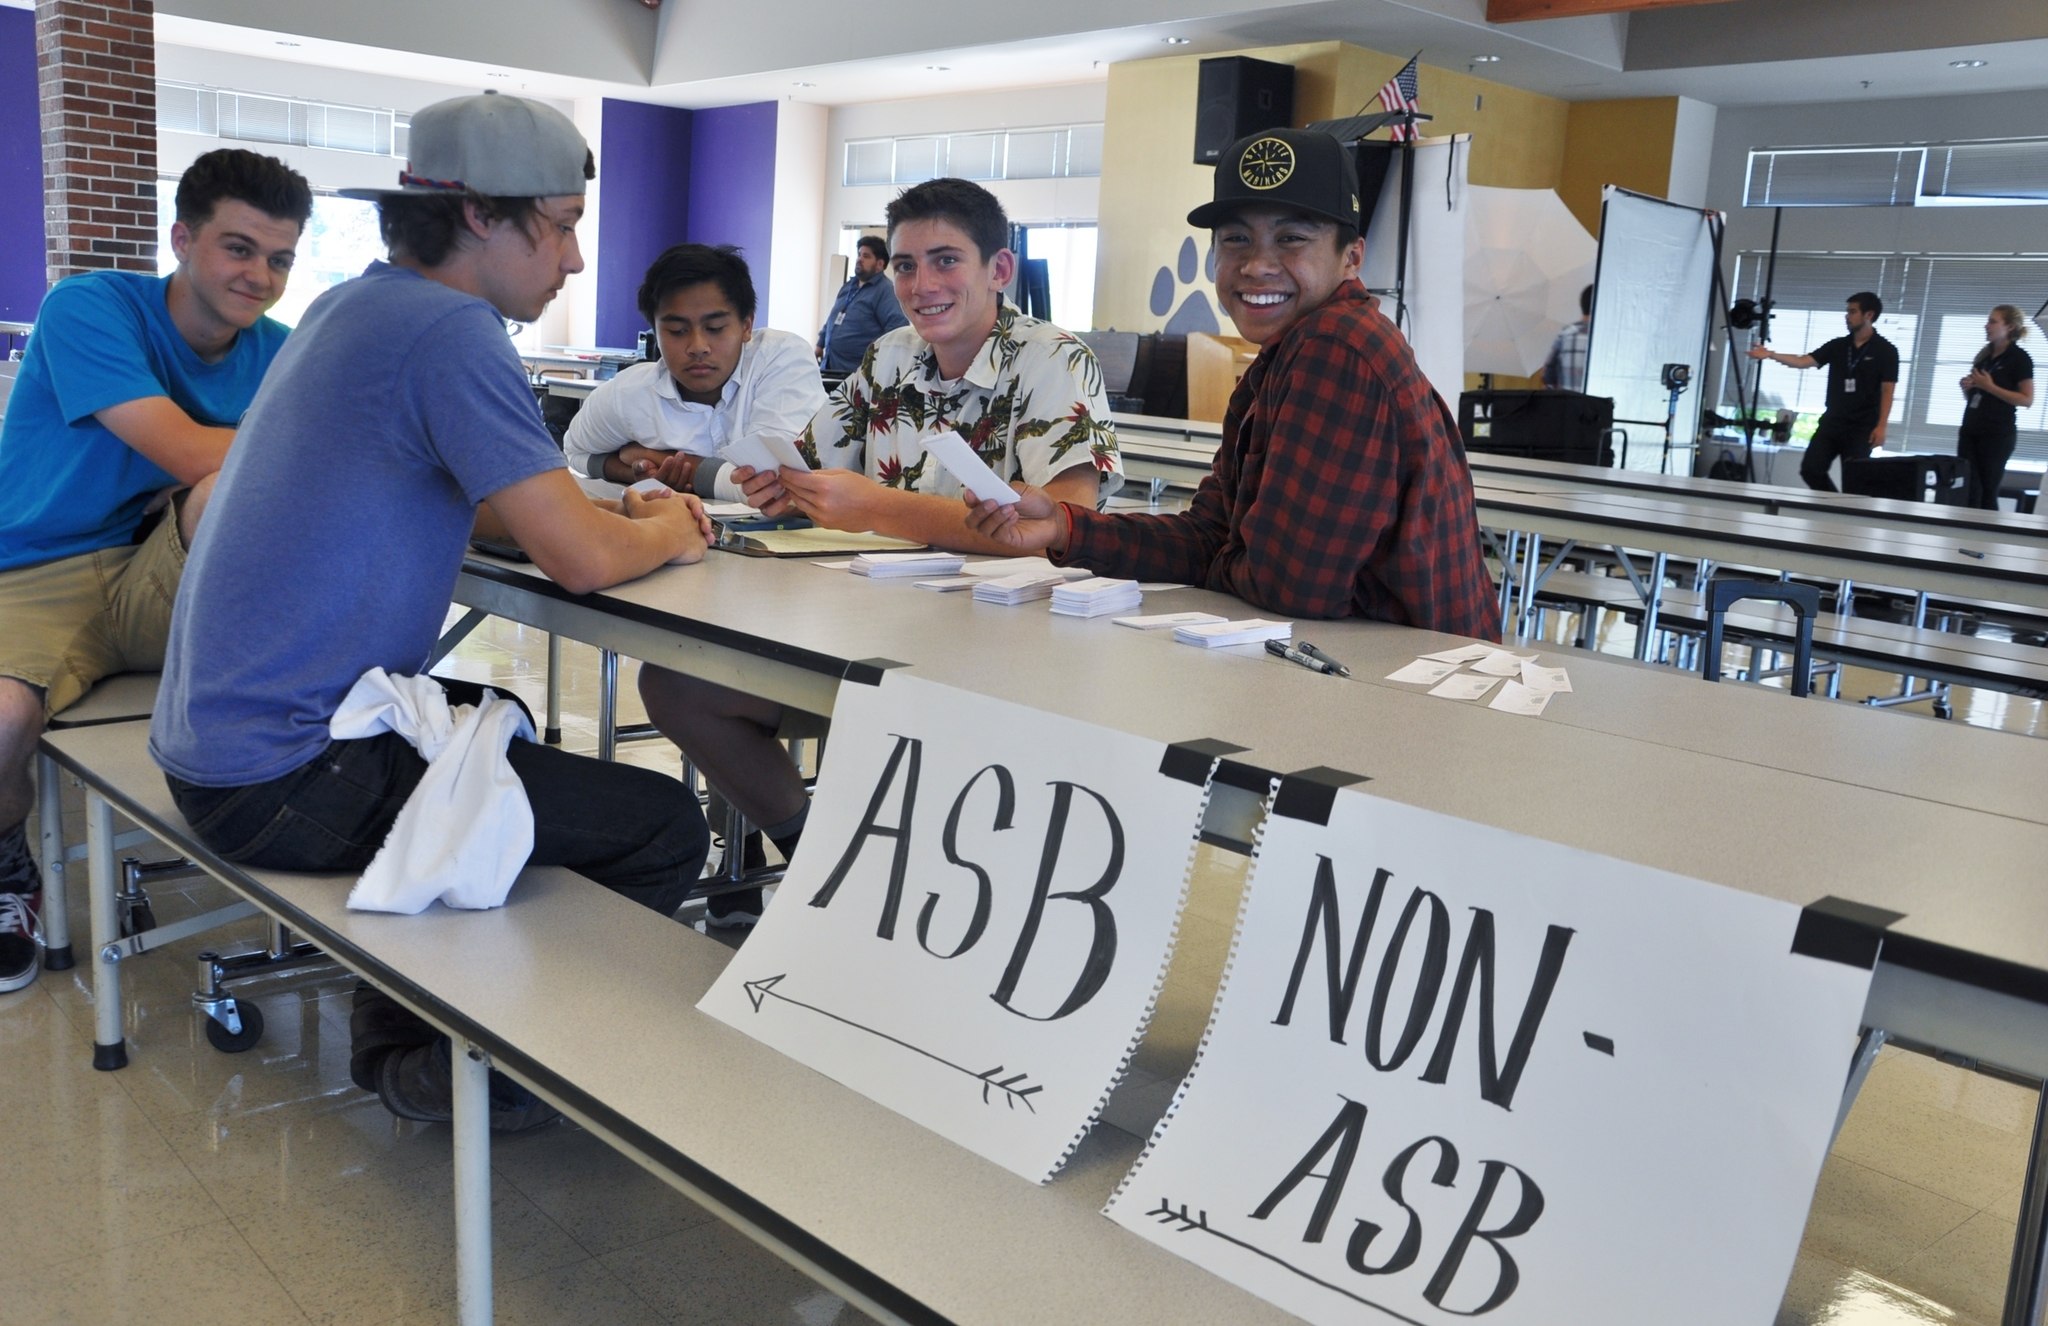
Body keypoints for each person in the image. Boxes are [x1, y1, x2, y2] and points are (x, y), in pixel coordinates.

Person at [148, 91, 712, 1128]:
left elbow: (487, 508)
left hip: (210, 747)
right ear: (486, 219)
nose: (575, 260)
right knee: (664, 825)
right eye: (563, 224)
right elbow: (581, 559)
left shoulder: (351, 306)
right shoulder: (455, 330)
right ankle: (493, 1075)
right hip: (282, 777)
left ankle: (406, 1032)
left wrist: (580, 513)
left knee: (498, 725)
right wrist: (671, 528)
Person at [635, 176, 1123, 926]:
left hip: (1007, 656)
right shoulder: (891, 357)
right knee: (677, 683)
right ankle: (824, 854)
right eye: (903, 265)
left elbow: (1064, 523)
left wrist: (875, 509)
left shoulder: (1054, 361)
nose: (921, 285)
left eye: (944, 261)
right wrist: (776, 485)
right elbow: (806, 460)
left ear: (999, 271)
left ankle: (905, 900)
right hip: (873, 634)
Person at [962, 128, 1498, 639]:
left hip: (1412, 695)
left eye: (1291, 239)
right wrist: (1062, 527)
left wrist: (1228, 558)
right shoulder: (1287, 353)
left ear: (1351, 257)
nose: (1257, 265)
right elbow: (1209, 536)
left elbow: (1291, 588)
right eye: (1236, 239)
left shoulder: (1335, 347)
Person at [0, 148, 311, 996]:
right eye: (239, 248)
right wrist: (309, 448)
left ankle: (300, 798)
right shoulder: (89, 306)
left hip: (152, 567)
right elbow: (179, 445)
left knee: (221, 495)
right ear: (182, 238)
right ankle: (5, 870)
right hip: (34, 569)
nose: (260, 275)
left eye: (280, 258)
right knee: (1, 721)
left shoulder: (284, 351)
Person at [561, 243, 826, 501]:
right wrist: (638, 473)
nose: (698, 347)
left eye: (715, 328)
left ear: (746, 325)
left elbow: (773, 484)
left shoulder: (781, 358)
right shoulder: (630, 393)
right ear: (654, 330)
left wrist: (657, 456)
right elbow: (574, 452)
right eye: (677, 331)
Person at [1748, 292, 1899, 493]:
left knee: (1854, 481)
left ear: (1869, 315)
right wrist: (1771, 355)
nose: (1847, 316)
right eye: (1847, 311)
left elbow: (1888, 390)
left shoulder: (1886, 350)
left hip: (1862, 427)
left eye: (1853, 312)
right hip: (1832, 422)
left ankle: (1849, 517)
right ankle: (1833, 505)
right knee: (1810, 470)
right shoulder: (1838, 346)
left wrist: (1881, 427)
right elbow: (1803, 361)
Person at [1954, 305, 2035, 511]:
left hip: (1996, 434)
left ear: (2009, 327)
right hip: (1971, 429)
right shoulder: (1984, 357)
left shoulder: (2019, 359)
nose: (1987, 325)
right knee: (1968, 488)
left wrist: (1990, 387)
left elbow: (2026, 399)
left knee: (1986, 490)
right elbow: (1976, 397)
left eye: (1993, 321)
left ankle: (1986, 538)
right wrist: (1969, 387)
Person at [816, 234, 906, 376]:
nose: (859, 259)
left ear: (880, 264)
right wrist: (820, 344)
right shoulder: (849, 286)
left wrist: (874, 362)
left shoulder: (885, 291)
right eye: (859, 254)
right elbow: (832, 319)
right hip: (829, 367)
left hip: (857, 374)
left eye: (866, 256)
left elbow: (896, 330)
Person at [1539, 284, 1592, 392]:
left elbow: (1547, 375)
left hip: (1567, 405)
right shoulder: (1612, 337)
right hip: (1601, 406)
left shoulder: (1567, 333)